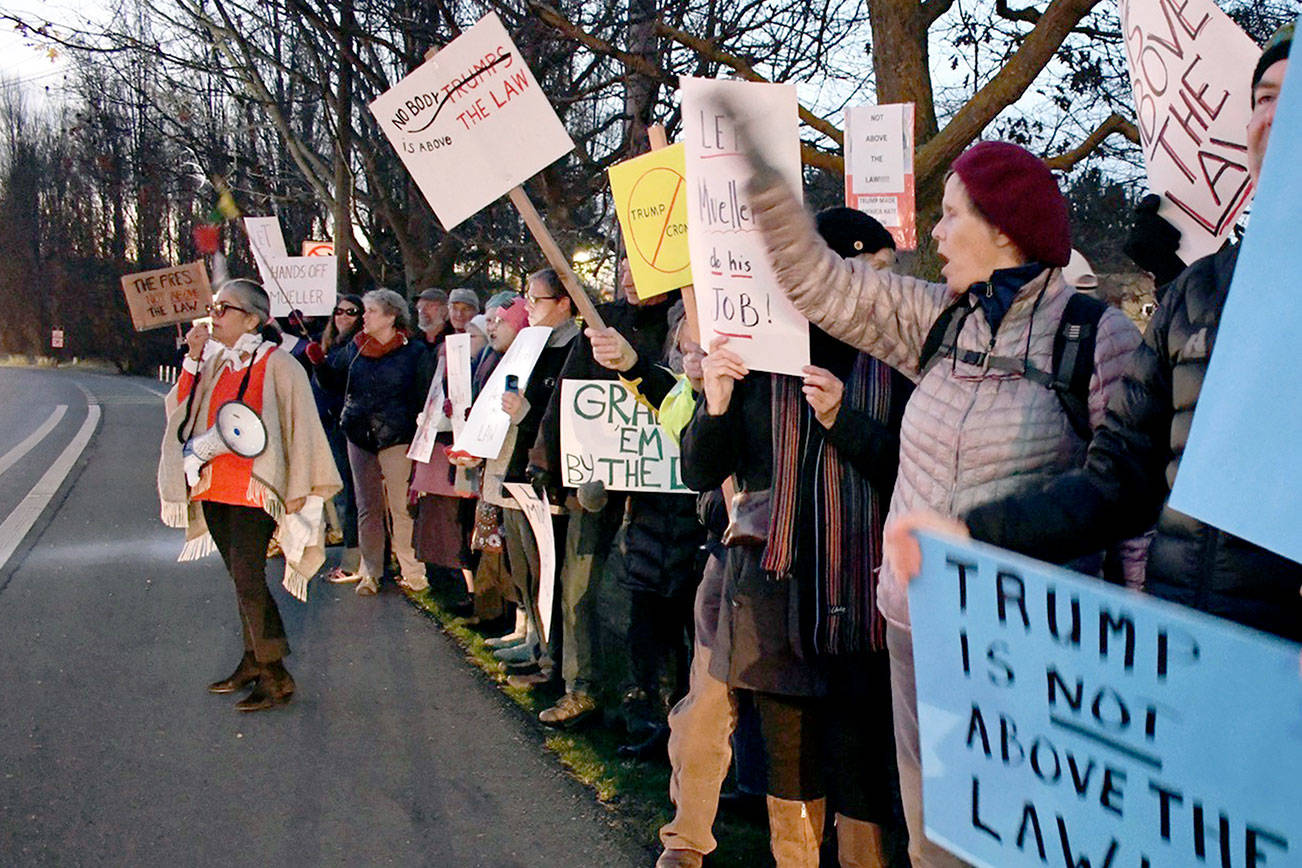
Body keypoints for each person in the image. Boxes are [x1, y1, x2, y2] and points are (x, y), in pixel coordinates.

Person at [728, 119, 1143, 865]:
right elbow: (824, 285)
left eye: (953, 214)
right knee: (932, 834)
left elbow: (1131, 503)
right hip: (915, 625)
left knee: (1022, 836)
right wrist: (765, 189)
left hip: (1027, 643)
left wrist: (1146, 645)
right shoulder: (940, 318)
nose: (937, 232)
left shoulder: (1096, 338)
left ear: (1006, 230)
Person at [886, 24, 1302, 645]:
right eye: (1264, 98)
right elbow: (1119, 481)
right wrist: (976, 533)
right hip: (1193, 652)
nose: (1276, 116)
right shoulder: (1198, 296)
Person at [673, 208, 913, 868]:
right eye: (877, 268)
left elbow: (908, 467)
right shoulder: (764, 353)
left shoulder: (897, 361)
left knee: (860, 765)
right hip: (778, 598)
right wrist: (716, 400)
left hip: (863, 599)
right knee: (790, 768)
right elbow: (700, 467)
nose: (890, 287)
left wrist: (843, 420)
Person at [158, 279, 341, 711]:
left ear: (253, 320)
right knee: (241, 581)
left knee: (249, 580)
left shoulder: (278, 364)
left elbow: (302, 427)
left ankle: (275, 673)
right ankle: (252, 661)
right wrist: (192, 359)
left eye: (224, 308)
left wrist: (301, 489)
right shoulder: (215, 361)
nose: (214, 315)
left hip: (254, 492)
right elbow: (181, 413)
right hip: (215, 485)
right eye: (214, 306)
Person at [526, 259, 680, 729]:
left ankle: (650, 696)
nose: (628, 278)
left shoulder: (682, 324)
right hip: (595, 478)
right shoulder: (602, 322)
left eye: (641, 268)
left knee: (650, 594)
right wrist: (545, 460)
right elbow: (568, 392)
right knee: (580, 586)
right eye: (624, 268)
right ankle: (583, 687)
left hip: (662, 489)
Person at [312, 288, 433, 596]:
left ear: (391, 315)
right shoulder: (354, 349)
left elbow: (422, 394)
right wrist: (319, 365)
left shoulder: (414, 352)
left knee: (400, 506)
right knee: (367, 507)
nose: (364, 317)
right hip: (358, 433)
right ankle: (371, 571)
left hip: (397, 434)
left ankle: (413, 571)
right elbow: (334, 382)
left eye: (371, 312)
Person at [495, 269, 582, 686]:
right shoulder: (530, 346)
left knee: (548, 571)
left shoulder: (575, 349)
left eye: (537, 300)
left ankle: (553, 662)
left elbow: (565, 413)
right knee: (526, 570)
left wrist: (527, 414)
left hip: (547, 478)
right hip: (518, 470)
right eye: (526, 299)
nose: (527, 308)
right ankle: (537, 644)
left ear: (564, 302)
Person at [310, 294, 364, 580]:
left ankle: (353, 556)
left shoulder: (353, 348)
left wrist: (321, 367)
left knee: (349, 493)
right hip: (325, 426)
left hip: (343, 427)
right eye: (339, 311)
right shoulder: (333, 345)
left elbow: (335, 384)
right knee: (339, 492)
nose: (343, 316)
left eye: (351, 311)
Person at [415, 287, 453, 352]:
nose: (422, 311)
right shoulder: (414, 342)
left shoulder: (454, 337)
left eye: (429, 306)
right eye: (419, 307)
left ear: (444, 310)